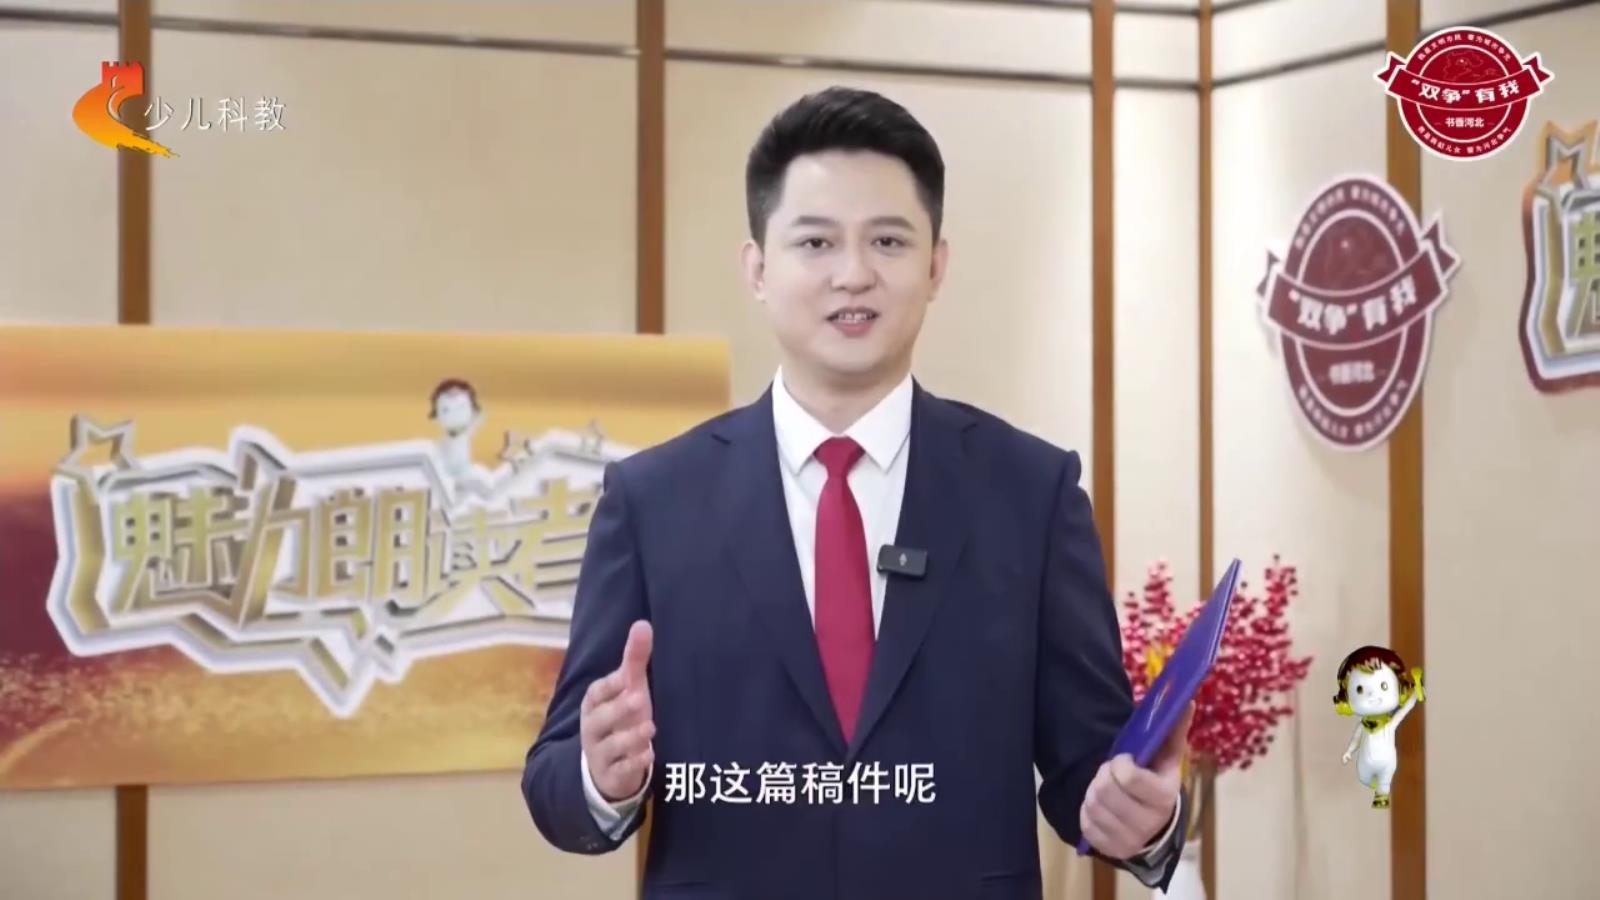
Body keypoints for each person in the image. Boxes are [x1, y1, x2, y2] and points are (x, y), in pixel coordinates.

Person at [522, 85, 1189, 899]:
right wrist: (601, 776)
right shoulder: (654, 501)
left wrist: (1146, 819)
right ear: (758, 269)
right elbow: (555, 781)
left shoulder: (1031, 495)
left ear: (936, 265)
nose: (853, 274)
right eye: (815, 242)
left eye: (888, 241)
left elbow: (1091, 765)